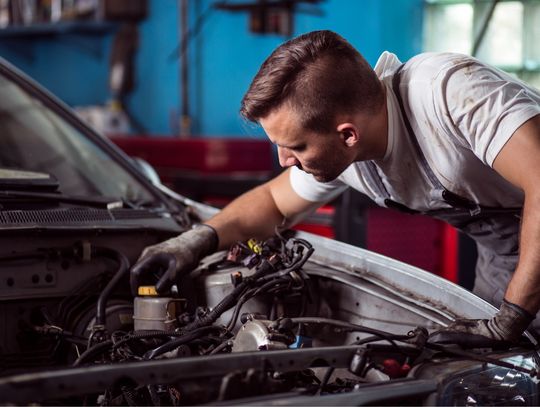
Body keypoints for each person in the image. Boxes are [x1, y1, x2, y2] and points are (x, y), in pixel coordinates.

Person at [131, 30, 540, 346]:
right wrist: (197, 240)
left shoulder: (451, 93)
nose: (284, 161)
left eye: (294, 148)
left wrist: (511, 316)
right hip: (507, 254)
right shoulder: (348, 152)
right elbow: (274, 201)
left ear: (347, 134)